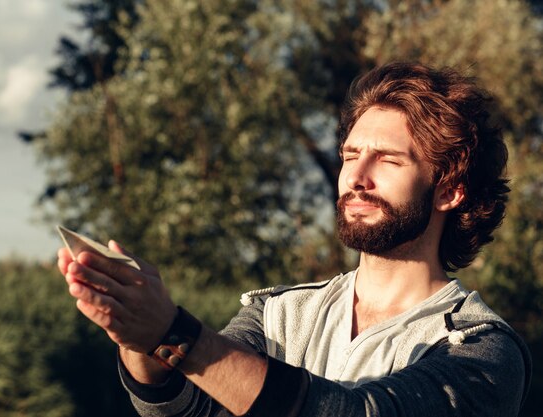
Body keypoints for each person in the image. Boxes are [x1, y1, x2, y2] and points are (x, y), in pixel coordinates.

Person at [57, 62, 531, 416]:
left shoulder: (479, 348)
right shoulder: (280, 314)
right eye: (350, 155)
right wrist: (139, 338)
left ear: (449, 190)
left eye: (387, 160)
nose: (356, 177)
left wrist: (173, 333)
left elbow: (362, 412)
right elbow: (196, 405)